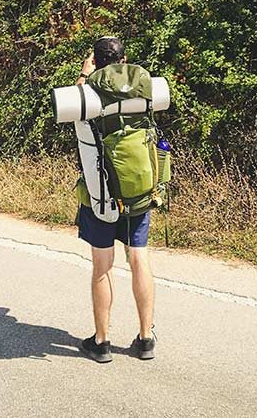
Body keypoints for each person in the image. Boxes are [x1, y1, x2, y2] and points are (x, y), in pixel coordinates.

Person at [75, 36, 156, 363]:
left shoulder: (89, 89)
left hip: (103, 192)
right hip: (139, 187)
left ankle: (102, 341)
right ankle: (146, 338)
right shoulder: (143, 83)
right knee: (139, 258)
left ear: (96, 61)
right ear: (124, 60)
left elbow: (73, 107)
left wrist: (83, 75)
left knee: (102, 265)